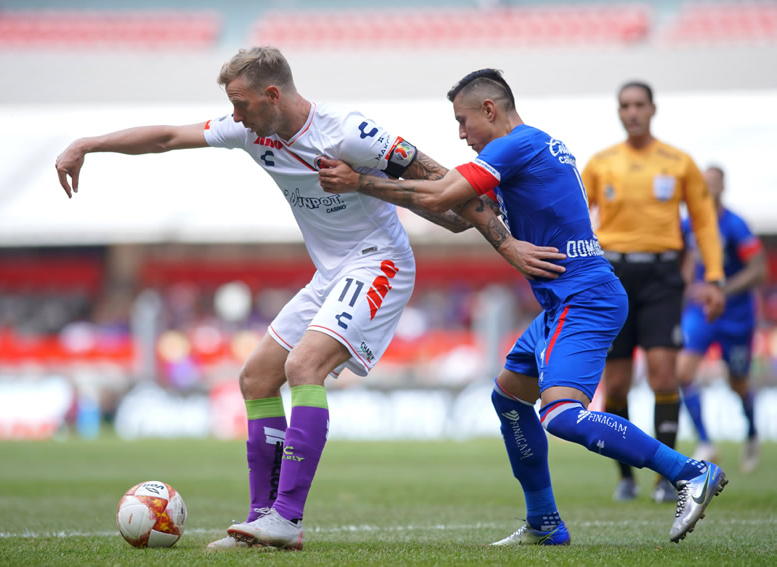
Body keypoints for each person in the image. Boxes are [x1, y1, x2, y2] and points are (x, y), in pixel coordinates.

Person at [55, 47, 566, 551]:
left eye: (242, 103)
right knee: (256, 377)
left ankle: (287, 519)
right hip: (331, 273)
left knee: (304, 367)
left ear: (272, 94)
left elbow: (447, 186)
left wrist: (508, 245)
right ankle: (261, 520)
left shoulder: (350, 132)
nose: (234, 116)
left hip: (379, 260)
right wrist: (87, 145)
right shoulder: (251, 129)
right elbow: (167, 137)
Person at [318, 68, 728, 545]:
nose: (461, 133)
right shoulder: (524, 151)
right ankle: (544, 522)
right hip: (566, 300)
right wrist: (397, 182)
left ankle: (689, 471)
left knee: (560, 416)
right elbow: (455, 218)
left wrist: (362, 183)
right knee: (509, 396)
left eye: (463, 120)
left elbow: (447, 192)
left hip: (583, 297)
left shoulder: (515, 145)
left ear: (489, 110)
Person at [581, 81, 726, 503]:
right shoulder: (601, 163)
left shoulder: (679, 163)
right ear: (619, 111)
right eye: (624, 105)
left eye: (639, 104)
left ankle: (666, 478)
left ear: (653, 109)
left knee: (664, 373)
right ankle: (626, 476)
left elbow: (704, 223)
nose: (632, 112)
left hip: (663, 276)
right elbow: (574, 216)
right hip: (612, 275)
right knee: (618, 385)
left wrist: (713, 278)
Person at [677, 165, 766, 473]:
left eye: (714, 182)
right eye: (704, 183)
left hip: (736, 316)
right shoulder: (689, 225)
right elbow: (682, 264)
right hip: (700, 314)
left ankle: (752, 433)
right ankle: (705, 441)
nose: (708, 187)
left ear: (723, 187)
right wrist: (688, 288)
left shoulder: (736, 225)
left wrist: (721, 288)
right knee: (683, 371)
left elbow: (759, 270)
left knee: (738, 384)